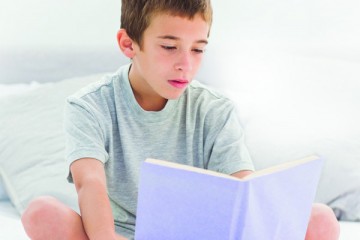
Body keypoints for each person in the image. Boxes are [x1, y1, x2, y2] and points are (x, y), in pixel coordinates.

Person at [21, 0, 340, 239]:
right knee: (41, 213)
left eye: (198, 50)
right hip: (119, 236)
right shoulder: (89, 105)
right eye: (170, 47)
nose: (185, 65)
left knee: (321, 219)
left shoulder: (215, 109)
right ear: (128, 44)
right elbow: (89, 183)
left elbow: (242, 186)